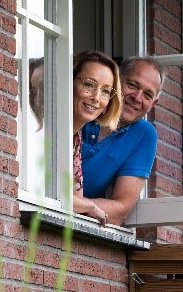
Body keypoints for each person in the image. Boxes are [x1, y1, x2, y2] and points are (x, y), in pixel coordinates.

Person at [75, 56, 165, 226]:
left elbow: (119, 211)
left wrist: (77, 205)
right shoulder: (82, 107)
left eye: (147, 95)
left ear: (153, 103)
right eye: (132, 85)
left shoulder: (144, 135)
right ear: (116, 81)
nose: (137, 97)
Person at [71, 51, 122, 226]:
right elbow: (44, 193)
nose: (96, 97)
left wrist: (85, 205)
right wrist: (90, 206)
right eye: (89, 84)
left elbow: (71, 198)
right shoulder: (47, 128)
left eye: (105, 91)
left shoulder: (75, 137)